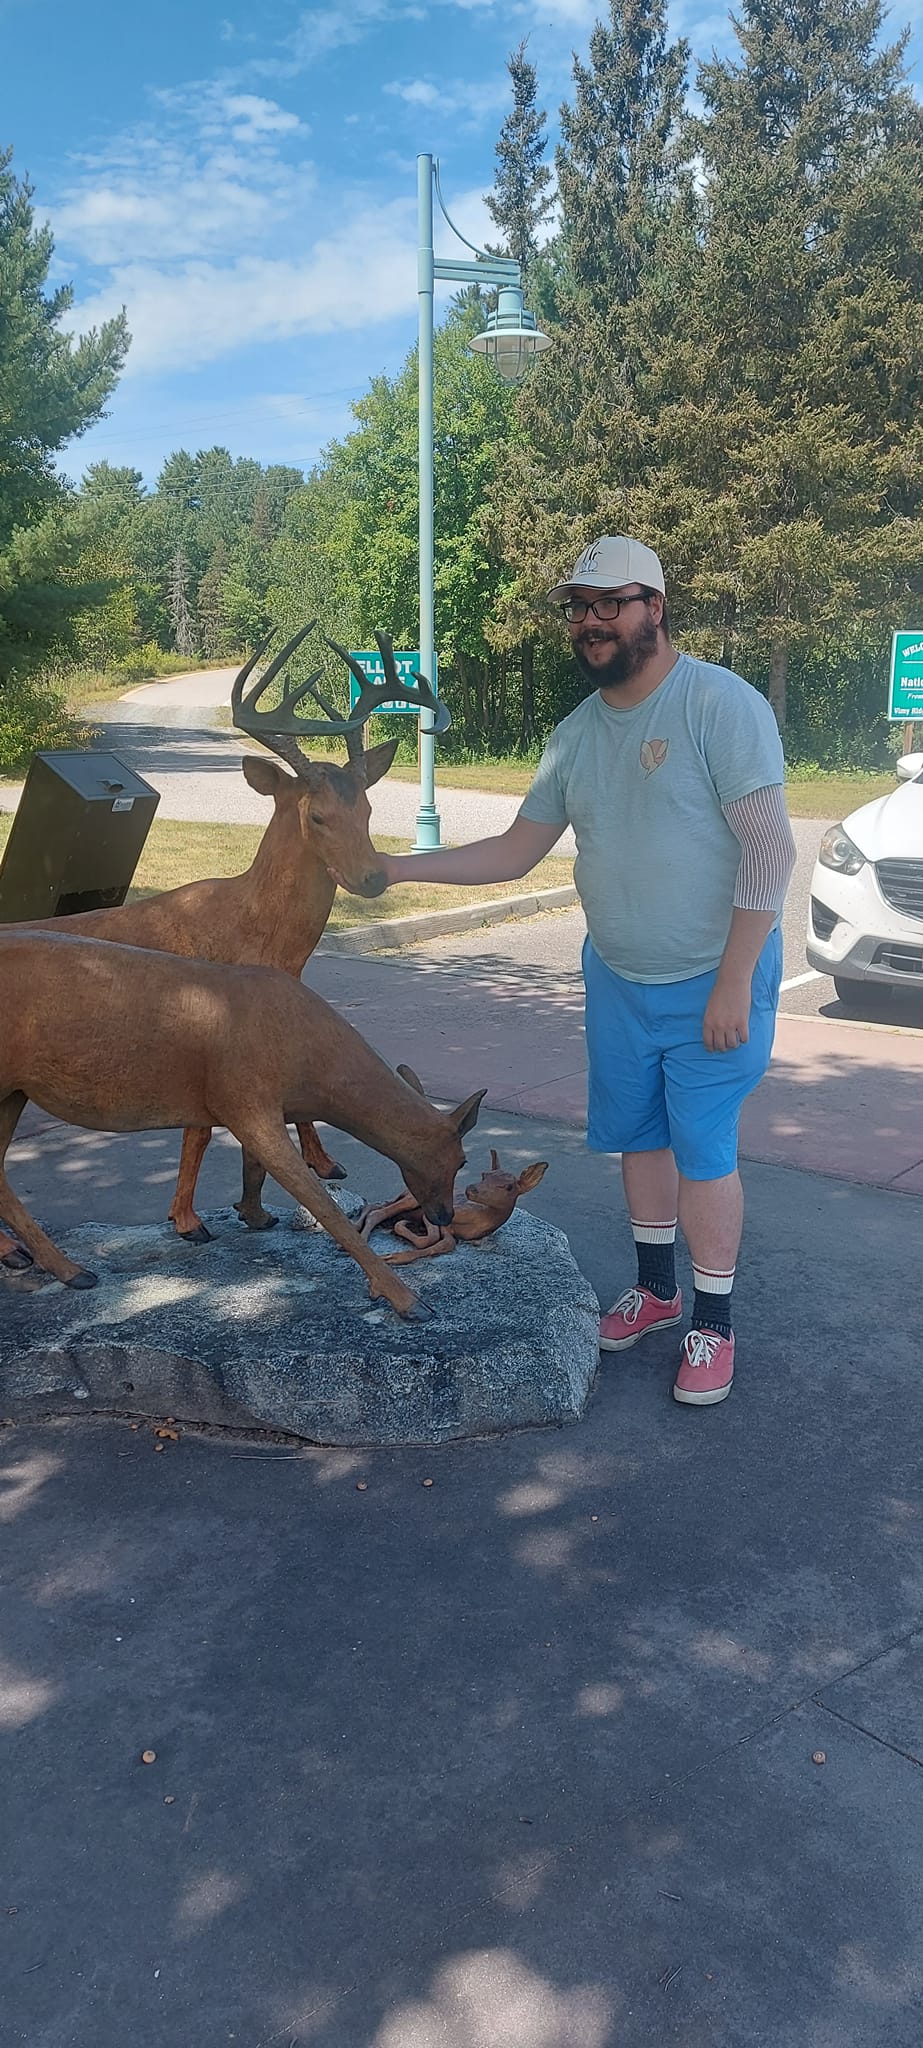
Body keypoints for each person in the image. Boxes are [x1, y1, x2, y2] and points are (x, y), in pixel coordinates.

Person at [379, 536, 796, 1406]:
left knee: (704, 1151)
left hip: (711, 978)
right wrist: (398, 870)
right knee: (637, 1140)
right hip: (616, 975)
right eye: (578, 605)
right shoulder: (573, 736)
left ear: (656, 607)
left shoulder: (719, 704)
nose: (590, 621)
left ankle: (712, 1328)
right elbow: (515, 850)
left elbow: (767, 851)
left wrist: (732, 980)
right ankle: (655, 1290)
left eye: (610, 602)